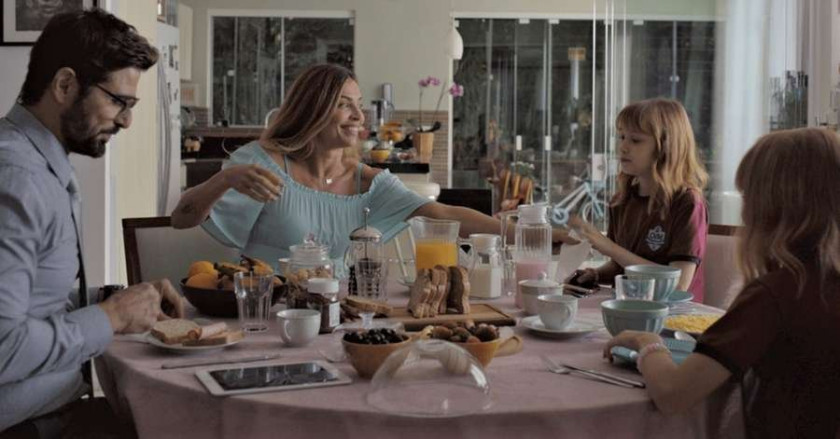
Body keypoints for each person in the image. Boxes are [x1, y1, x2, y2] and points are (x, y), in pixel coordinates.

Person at [171, 64, 575, 273]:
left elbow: (444, 214)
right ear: (313, 109)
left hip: (336, 318)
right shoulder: (261, 163)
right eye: (344, 104)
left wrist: (534, 235)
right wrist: (225, 179)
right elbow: (181, 219)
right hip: (265, 313)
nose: (358, 116)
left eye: (359, 105)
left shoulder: (368, 182)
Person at [0, 9, 184, 437]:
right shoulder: (18, 180)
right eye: (119, 102)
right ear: (65, 85)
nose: (126, 121)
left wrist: (110, 298)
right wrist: (110, 317)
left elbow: (32, 304)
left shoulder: (37, 163)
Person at [604, 128, 840, 437]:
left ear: (771, 206)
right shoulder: (824, 283)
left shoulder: (776, 295)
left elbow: (673, 393)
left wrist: (646, 342)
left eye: (748, 196)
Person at [569, 98, 708, 301]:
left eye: (635, 140)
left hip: (674, 314)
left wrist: (609, 247)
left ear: (665, 147)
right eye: (622, 137)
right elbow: (621, 266)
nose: (623, 147)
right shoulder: (621, 200)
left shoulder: (687, 203)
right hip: (628, 306)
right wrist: (596, 274)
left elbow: (679, 285)